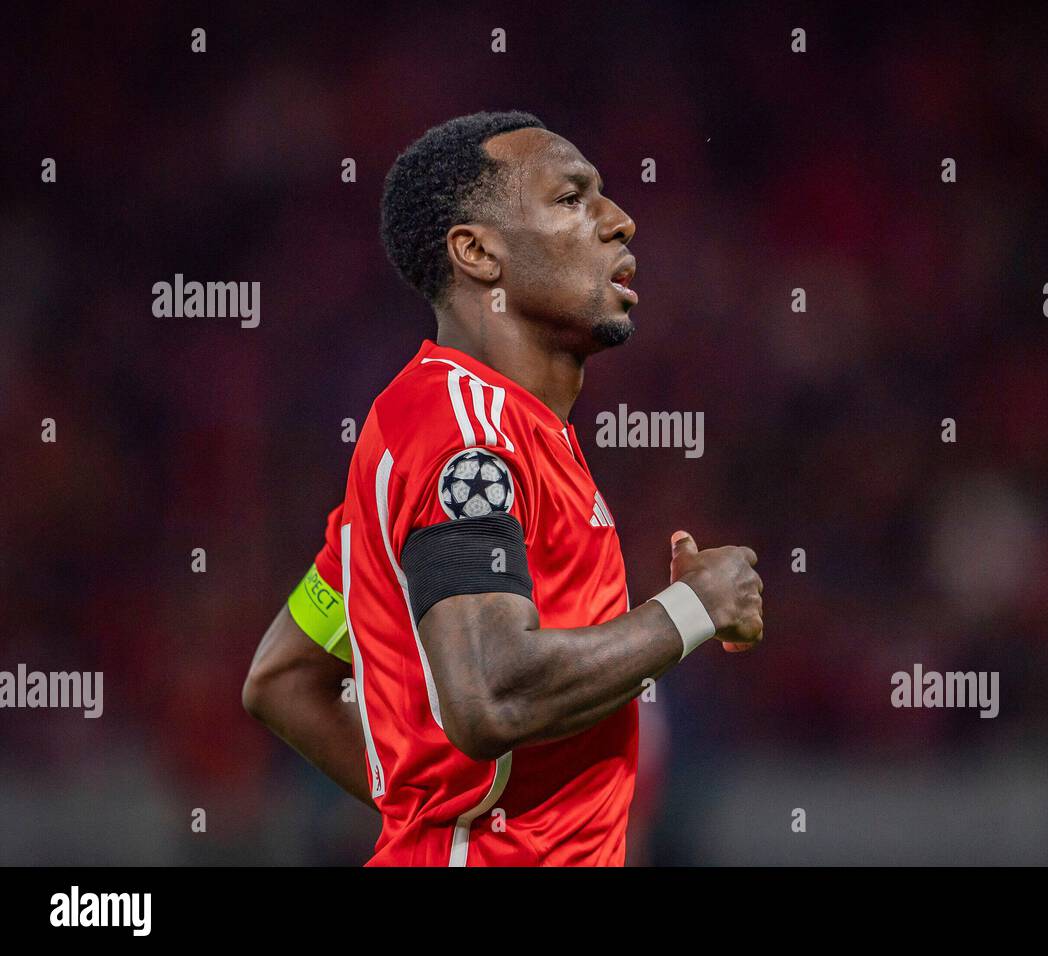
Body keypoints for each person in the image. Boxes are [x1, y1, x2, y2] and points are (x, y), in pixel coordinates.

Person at [245, 110, 763, 866]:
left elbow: (284, 679)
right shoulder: (469, 436)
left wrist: (435, 816)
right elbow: (491, 691)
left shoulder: (475, 428)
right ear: (478, 252)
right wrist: (692, 610)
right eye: (570, 199)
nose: (619, 221)